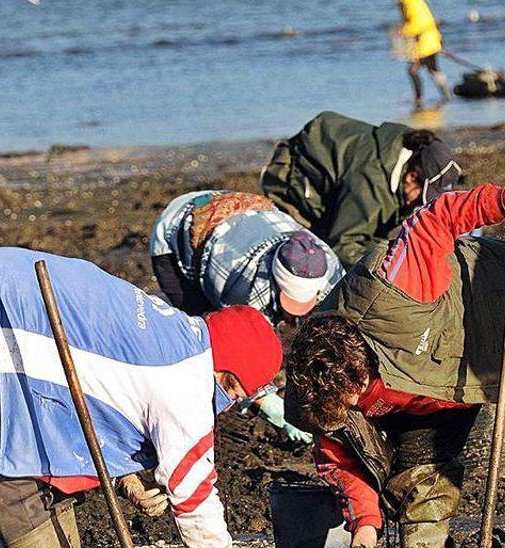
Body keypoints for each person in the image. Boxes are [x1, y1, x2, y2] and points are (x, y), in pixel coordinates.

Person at [284, 182, 505, 547]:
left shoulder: (393, 292)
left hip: (498, 300)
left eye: (353, 401)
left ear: (362, 372)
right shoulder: (317, 396)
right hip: (430, 382)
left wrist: (498, 200)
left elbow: (434, 219)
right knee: (420, 477)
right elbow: (341, 460)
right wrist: (365, 524)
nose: (353, 410)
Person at [0, 247, 283, 547]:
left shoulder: (174, 332)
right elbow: (195, 497)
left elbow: (94, 397)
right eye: (232, 388)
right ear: (225, 365)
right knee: (17, 471)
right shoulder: (187, 376)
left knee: (43, 462)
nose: (228, 402)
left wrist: (127, 478)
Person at [150, 189, 340, 444]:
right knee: (201, 340)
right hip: (178, 230)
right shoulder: (245, 284)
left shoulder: (330, 267)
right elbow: (237, 347)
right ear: (275, 281)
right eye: (289, 304)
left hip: (246, 219)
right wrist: (272, 405)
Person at [261, 111, 462, 268]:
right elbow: (343, 245)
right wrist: (386, 268)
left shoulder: (408, 144)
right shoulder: (371, 186)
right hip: (292, 184)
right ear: (411, 177)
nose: (419, 205)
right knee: (318, 255)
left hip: (340, 179)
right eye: (422, 197)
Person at [150, 190, 341, 322]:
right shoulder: (242, 289)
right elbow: (239, 336)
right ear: (275, 279)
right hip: (177, 225)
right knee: (199, 323)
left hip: (242, 212)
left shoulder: (331, 267)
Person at [396, 0, 451, 106]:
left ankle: (419, 99)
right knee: (433, 70)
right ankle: (446, 95)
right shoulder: (411, 2)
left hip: (425, 43)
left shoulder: (410, 3)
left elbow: (417, 24)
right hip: (430, 40)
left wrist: (403, 31)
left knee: (413, 70)